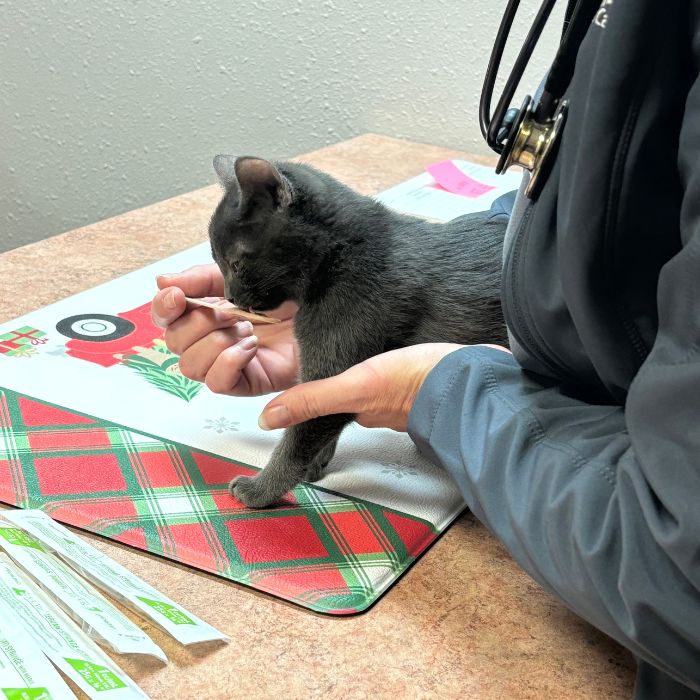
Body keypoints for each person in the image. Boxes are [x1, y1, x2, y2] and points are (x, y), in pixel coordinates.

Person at [152, 1, 700, 696]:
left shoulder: (364, 283)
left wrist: (430, 395)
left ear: (292, 203)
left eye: (241, 265)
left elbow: (682, 576)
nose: (235, 286)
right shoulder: (369, 259)